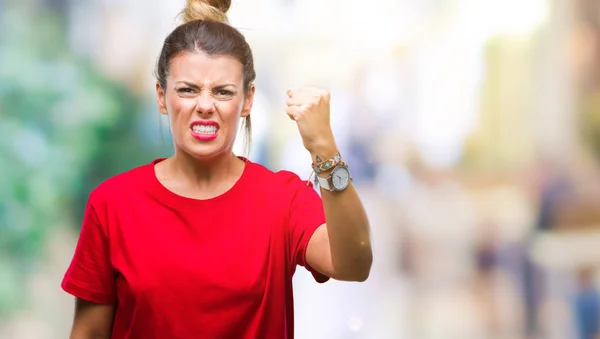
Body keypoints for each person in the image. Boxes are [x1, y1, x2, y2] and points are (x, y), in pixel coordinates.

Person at [61, 0, 373, 338]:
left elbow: (354, 264)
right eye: (187, 90)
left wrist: (324, 150)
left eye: (223, 92)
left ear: (247, 100)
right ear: (162, 97)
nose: (205, 105)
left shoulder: (282, 200)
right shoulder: (113, 204)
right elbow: (88, 333)